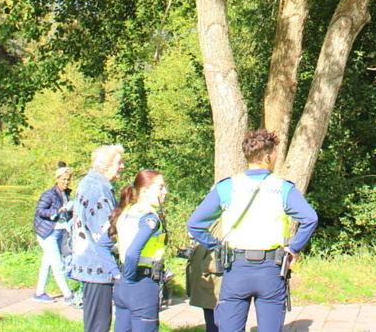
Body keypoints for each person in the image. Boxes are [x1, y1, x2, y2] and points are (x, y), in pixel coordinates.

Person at [186, 130, 318, 332]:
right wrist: (293, 249)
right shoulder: (283, 188)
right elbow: (310, 219)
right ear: (266, 157)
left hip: (236, 268)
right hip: (271, 270)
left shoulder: (228, 186)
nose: (275, 158)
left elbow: (195, 224)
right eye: (274, 154)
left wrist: (216, 246)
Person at [96, 170, 169, 332]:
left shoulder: (126, 211)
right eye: (161, 187)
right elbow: (131, 252)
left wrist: (117, 274)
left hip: (122, 285)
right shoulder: (149, 217)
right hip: (142, 284)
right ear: (145, 191)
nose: (165, 192)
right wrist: (129, 279)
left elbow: (101, 246)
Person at [69, 144, 125, 332]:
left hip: (88, 260)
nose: (122, 166)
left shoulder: (89, 183)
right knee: (99, 324)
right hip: (97, 265)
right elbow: (106, 232)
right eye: (119, 162)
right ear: (105, 165)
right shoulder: (99, 189)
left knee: (95, 321)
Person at [33, 162, 75, 303]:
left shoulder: (67, 193)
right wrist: (56, 211)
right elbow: (40, 210)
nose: (66, 182)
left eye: (68, 179)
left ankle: (39, 293)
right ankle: (68, 296)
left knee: (47, 263)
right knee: (58, 265)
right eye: (63, 179)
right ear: (57, 179)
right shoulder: (49, 194)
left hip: (59, 232)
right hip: (47, 233)